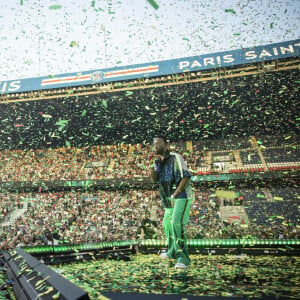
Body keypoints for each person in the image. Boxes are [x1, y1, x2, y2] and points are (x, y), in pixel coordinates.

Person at [150, 136, 192, 269]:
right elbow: (154, 180)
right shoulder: (157, 162)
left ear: (166, 145)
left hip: (180, 196)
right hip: (167, 199)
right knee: (167, 224)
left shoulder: (175, 157)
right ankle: (172, 251)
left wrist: (176, 193)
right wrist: (151, 170)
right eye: (154, 144)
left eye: (159, 143)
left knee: (176, 223)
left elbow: (185, 176)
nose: (156, 146)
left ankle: (183, 258)